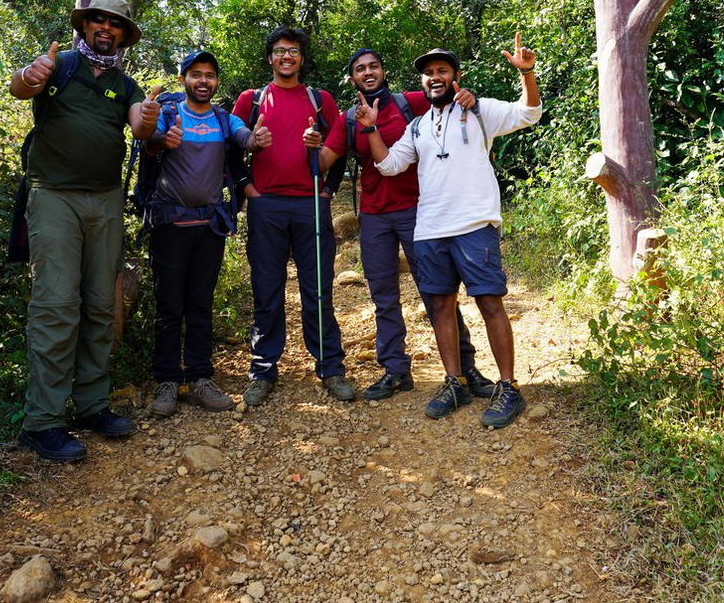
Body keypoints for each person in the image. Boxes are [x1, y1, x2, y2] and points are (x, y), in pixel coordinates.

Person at [359, 34, 542, 428]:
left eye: (442, 71)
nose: (434, 77)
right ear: (422, 83)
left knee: (489, 303)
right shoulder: (418, 126)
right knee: (440, 306)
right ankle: (455, 380)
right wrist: (372, 129)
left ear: (456, 76)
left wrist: (527, 73)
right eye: (428, 73)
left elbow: (529, 113)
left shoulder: (479, 112)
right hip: (430, 228)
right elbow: (389, 165)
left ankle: (508, 387)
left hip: (474, 224)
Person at [8, 0, 160, 462]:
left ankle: (92, 404)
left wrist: (149, 118)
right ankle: (43, 421)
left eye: (114, 24)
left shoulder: (126, 84)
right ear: (85, 24)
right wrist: (28, 75)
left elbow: (139, 128)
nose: (105, 28)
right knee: (56, 304)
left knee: (99, 304)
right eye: (98, 19)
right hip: (53, 197)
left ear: (122, 35)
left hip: (105, 202)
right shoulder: (60, 65)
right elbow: (21, 87)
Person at [332, 48, 493, 402]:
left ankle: (465, 370)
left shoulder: (412, 102)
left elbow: (450, 96)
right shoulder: (349, 118)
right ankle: (395, 370)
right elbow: (328, 156)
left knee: (437, 293)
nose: (368, 72)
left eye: (374, 65)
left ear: (384, 71)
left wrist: (471, 97)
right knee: (383, 295)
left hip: (419, 211)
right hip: (374, 215)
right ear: (353, 78)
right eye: (360, 69)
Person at [231, 27, 356, 406]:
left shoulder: (320, 100)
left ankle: (330, 368)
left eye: (294, 51)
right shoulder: (251, 100)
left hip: (310, 205)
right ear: (270, 57)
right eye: (280, 51)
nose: (287, 57)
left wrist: (329, 189)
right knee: (267, 290)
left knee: (318, 289)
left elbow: (341, 143)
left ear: (301, 58)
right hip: (266, 205)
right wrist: (247, 188)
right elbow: (230, 147)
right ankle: (263, 370)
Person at [143, 50, 271, 416]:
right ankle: (167, 380)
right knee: (169, 306)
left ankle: (199, 377)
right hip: (169, 225)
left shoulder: (223, 119)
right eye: (196, 74)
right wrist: (159, 141)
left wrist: (256, 138)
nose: (203, 81)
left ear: (216, 82)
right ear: (184, 78)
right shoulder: (169, 115)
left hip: (209, 227)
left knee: (200, 304)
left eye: (209, 75)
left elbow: (245, 137)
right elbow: (147, 141)